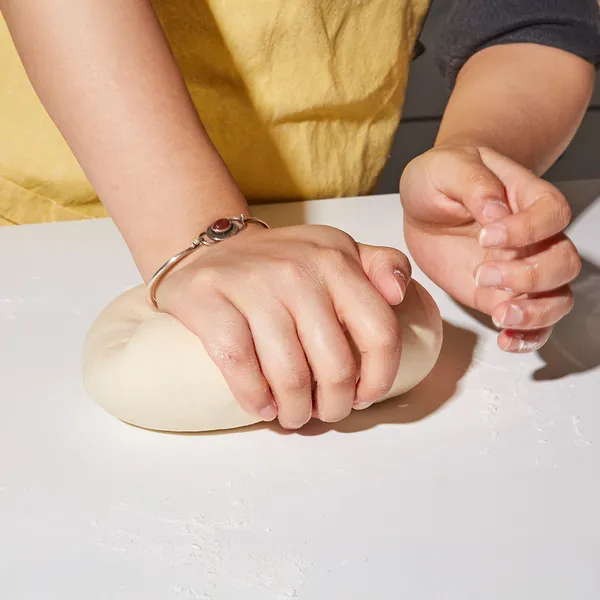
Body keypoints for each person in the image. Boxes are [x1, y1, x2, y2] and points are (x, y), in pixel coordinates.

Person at [1, 0, 599, 429]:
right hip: (60, 209)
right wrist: (197, 230)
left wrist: (476, 159)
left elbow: (536, 12)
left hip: (326, 210)